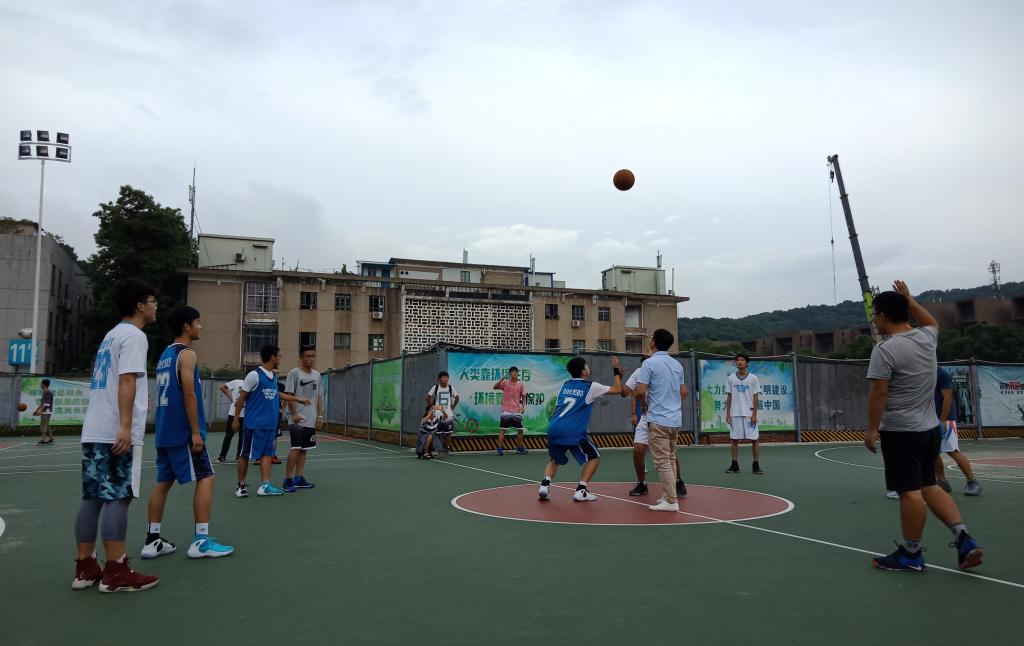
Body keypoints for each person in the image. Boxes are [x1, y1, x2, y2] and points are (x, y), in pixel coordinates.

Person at [865, 280, 983, 572]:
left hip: (901, 431)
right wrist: (909, 298)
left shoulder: (885, 349)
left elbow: (879, 392)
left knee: (909, 491)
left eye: (875, 314)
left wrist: (871, 429)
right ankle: (963, 537)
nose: (873, 320)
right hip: (929, 429)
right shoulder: (926, 337)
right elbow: (932, 321)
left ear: (883, 316)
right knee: (929, 485)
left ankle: (911, 553)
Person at [72, 278, 159, 592]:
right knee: (119, 497)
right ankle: (116, 571)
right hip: (115, 430)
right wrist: (124, 425)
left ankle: (85, 568)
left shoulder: (111, 335)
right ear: (140, 306)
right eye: (153, 301)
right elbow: (126, 381)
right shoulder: (134, 335)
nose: (156, 306)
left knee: (93, 498)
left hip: (95, 428)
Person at [142, 306, 233, 559]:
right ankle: (201, 541)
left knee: (163, 482)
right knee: (206, 477)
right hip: (183, 432)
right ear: (186, 325)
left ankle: (152, 540)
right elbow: (189, 394)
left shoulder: (165, 355)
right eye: (198, 322)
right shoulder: (187, 354)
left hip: (164, 432)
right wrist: (195, 431)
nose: (201, 326)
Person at [538, 356, 622, 502]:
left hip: (554, 427)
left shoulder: (565, 385)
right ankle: (581, 490)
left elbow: (558, 408)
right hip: (573, 430)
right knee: (594, 456)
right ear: (584, 372)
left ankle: (544, 486)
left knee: (555, 460)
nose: (588, 367)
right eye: (586, 366)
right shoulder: (590, 386)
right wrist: (616, 370)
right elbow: (617, 389)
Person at [232, 345, 309, 497]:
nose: (280, 358)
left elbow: (277, 393)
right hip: (254, 425)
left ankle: (265, 485)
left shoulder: (273, 376)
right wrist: (235, 419)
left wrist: (296, 398)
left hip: (270, 425)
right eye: (279, 355)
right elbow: (241, 398)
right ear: (272, 357)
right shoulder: (254, 375)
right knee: (245, 454)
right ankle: (240, 486)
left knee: (267, 454)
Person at [632, 329, 688, 511]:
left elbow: (640, 390)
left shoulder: (649, 363)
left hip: (658, 418)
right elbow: (683, 391)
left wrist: (644, 404)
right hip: (675, 419)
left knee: (662, 461)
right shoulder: (677, 365)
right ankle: (667, 495)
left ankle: (671, 500)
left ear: (653, 343)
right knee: (670, 458)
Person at [621, 349, 685, 497]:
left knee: (668, 453)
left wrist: (672, 405)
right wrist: (618, 374)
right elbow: (625, 392)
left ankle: (677, 483)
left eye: (650, 349)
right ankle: (642, 483)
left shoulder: (667, 369)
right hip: (647, 417)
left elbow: (684, 391)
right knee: (638, 449)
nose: (648, 350)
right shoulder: (639, 371)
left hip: (662, 416)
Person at [934, 366, 982, 496]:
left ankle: (972, 482)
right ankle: (942, 482)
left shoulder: (942, 373)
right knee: (932, 453)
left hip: (945, 420)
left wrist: (942, 420)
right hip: (929, 419)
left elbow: (948, 398)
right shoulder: (923, 372)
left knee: (952, 451)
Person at [283, 345, 323, 492]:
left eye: (313, 356)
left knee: (305, 449)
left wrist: (320, 415)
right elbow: (289, 395)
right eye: (308, 356)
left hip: (311, 418)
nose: (311, 359)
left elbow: (319, 397)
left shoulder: (317, 375)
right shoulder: (294, 373)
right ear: (301, 357)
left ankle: (298, 478)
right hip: (297, 418)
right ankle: (287, 480)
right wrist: (294, 413)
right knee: (295, 448)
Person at [725, 354, 763, 474]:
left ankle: (756, 465)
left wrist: (754, 414)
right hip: (735, 413)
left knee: (754, 439)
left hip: (749, 413)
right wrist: (728, 413)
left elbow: (755, 397)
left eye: (742, 360)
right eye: (738, 360)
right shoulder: (731, 378)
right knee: (734, 440)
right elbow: (729, 396)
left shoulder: (753, 378)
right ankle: (734, 465)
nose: (739, 362)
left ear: (747, 363)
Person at [493, 366, 528, 455]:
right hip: (506, 411)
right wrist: (501, 380)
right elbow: (494, 387)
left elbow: (524, 396)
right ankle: (499, 448)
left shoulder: (520, 384)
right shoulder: (505, 383)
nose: (515, 373)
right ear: (510, 373)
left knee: (520, 430)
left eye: (516, 372)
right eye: (513, 372)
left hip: (516, 411)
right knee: (503, 430)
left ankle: (519, 448)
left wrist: (523, 407)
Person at [425, 372, 459, 455]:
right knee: (435, 432)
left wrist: (453, 407)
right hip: (437, 414)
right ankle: (435, 448)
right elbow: (427, 397)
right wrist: (432, 406)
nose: (445, 379)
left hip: (448, 414)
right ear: (439, 379)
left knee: (449, 432)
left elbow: (457, 397)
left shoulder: (451, 388)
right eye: (443, 377)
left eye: (446, 377)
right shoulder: (435, 387)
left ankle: (447, 447)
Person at [216, 378, 246, 462]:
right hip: (233, 413)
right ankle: (222, 455)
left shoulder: (252, 385)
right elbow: (222, 387)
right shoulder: (237, 382)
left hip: (245, 414)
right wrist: (232, 398)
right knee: (228, 436)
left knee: (242, 436)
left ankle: (239, 455)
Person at [33, 378, 55, 445]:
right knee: (46, 425)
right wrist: (36, 410)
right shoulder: (44, 392)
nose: (40, 385)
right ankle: (51, 438)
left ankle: (42, 439)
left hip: (47, 411)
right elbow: (42, 403)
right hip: (44, 410)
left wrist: (40, 411)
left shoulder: (48, 392)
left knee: (43, 425)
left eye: (41, 383)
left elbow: (47, 404)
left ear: (43, 384)